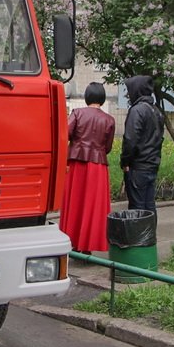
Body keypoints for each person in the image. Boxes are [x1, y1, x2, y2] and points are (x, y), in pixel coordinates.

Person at [59, 83, 116, 253]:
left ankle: (73, 241)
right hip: (98, 166)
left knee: (75, 202)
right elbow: (108, 147)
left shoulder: (77, 113)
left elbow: (65, 134)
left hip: (77, 163)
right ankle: (87, 245)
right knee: (92, 205)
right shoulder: (109, 120)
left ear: (87, 97)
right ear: (103, 98)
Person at [119, 75, 165, 213]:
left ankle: (138, 235)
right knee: (149, 206)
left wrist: (125, 162)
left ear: (136, 90)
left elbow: (130, 140)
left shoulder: (137, 111)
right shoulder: (156, 111)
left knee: (137, 207)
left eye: (129, 90)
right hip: (152, 164)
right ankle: (149, 234)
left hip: (138, 167)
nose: (128, 94)